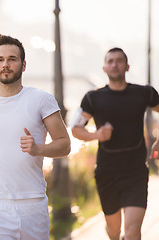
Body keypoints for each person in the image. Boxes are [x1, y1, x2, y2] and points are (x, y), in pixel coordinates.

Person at [0, 34, 71, 240]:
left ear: (23, 65)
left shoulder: (41, 100)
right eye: (0, 59)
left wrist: (38, 149)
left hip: (31, 205)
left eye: (12, 59)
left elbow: (65, 145)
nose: (5, 64)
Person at [71, 47, 159, 240]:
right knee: (113, 231)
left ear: (127, 66)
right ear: (104, 68)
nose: (114, 64)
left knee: (132, 231)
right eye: (110, 61)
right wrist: (96, 135)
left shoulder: (144, 93)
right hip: (107, 172)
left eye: (119, 60)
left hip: (135, 171)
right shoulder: (92, 98)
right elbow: (75, 129)